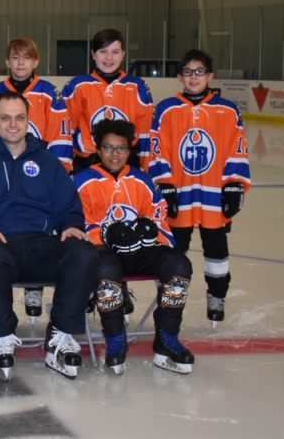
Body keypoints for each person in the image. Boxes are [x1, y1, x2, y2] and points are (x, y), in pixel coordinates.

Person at [0, 91, 98, 380]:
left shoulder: (48, 162)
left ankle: (59, 337)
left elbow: (68, 206)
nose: (13, 124)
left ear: (28, 121)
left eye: (20, 117)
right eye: (6, 117)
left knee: (83, 252)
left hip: (40, 243)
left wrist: (72, 223)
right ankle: (2, 336)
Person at [76, 119, 195, 375]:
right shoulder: (82, 181)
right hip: (104, 252)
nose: (114, 154)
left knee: (179, 265)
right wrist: (104, 233)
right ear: (98, 150)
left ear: (130, 151)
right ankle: (115, 339)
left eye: (121, 148)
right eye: (108, 148)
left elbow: (159, 213)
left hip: (140, 251)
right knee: (106, 272)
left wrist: (150, 232)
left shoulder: (142, 180)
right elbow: (73, 221)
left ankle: (166, 338)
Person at [149, 49, 251, 327]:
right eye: (188, 72)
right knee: (173, 252)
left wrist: (234, 185)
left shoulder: (227, 110)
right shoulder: (167, 108)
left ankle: (216, 298)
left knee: (217, 251)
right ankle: (170, 303)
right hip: (179, 195)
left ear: (211, 75)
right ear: (180, 76)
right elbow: (158, 150)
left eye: (200, 71)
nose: (194, 77)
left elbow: (237, 148)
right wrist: (165, 186)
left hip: (213, 197)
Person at [0, 37, 74, 323]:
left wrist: (57, 172)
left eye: (26, 58)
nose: (20, 63)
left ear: (36, 62)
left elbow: (61, 134)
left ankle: (34, 287)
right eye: (15, 58)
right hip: (4, 169)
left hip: (38, 172)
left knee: (39, 228)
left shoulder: (49, 93)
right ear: (7, 61)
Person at [62, 28, 154, 173]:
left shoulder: (138, 86)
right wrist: (66, 167)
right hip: (87, 164)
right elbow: (65, 130)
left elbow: (146, 131)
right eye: (103, 51)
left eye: (115, 52)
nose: (109, 58)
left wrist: (147, 168)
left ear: (123, 54)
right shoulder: (77, 86)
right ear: (93, 54)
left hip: (126, 164)